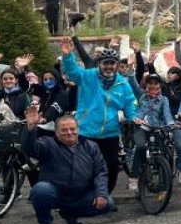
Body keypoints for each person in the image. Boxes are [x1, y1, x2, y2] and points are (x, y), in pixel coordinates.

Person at [59, 38, 137, 193]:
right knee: (86, 167)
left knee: (112, 168)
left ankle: (104, 196)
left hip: (110, 133)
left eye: (112, 63)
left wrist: (133, 116)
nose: (109, 66)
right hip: (87, 131)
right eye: (105, 63)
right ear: (99, 64)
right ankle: (86, 197)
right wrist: (68, 56)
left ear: (116, 65)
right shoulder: (88, 76)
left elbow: (129, 103)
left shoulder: (123, 83)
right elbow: (73, 72)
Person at [22, 108, 113, 224]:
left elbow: (101, 172)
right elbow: (29, 148)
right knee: (40, 190)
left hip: (81, 194)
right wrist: (31, 128)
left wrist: (101, 193)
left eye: (72, 129)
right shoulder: (48, 144)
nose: (69, 133)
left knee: (108, 202)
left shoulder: (91, 146)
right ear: (57, 133)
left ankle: (69, 213)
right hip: (56, 193)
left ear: (78, 129)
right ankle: (45, 223)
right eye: (64, 130)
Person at [129, 74, 175, 191]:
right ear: (146, 85)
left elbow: (167, 113)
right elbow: (134, 86)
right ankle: (134, 177)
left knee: (164, 151)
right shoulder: (142, 96)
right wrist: (130, 72)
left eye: (156, 83)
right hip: (141, 127)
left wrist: (170, 123)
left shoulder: (164, 99)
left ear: (159, 85)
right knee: (140, 147)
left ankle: (166, 180)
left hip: (156, 128)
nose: (153, 86)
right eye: (150, 83)